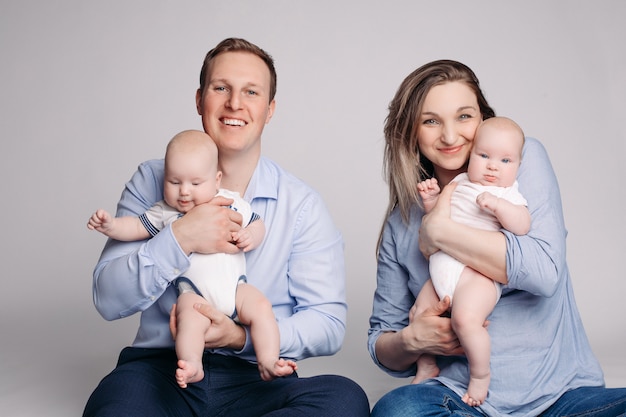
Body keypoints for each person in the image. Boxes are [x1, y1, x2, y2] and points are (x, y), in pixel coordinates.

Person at [83, 37, 369, 417]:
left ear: (269, 110)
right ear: (200, 99)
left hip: (257, 379)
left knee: (344, 399)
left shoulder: (301, 204)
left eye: (251, 92)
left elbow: (327, 323)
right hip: (162, 371)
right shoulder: (152, 179)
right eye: (221, 88)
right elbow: (108, 297)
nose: (235, 104)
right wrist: (181, 237)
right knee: (117, 405)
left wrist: (239, 338)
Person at [368, 59, 626, 416]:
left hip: (563, 396)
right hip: (460, 399)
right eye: (430, 121)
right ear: (410, 132)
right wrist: (412, 340)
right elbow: (383, 343)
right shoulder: (404, 219)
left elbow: (544, 272)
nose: (449, 136)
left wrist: (440, 231)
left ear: (483, 119)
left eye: (464, 116)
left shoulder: (517, 161)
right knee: (397, 411)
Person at [87, 129, 297, 388]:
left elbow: (256, 222)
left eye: (195, 184)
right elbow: (135, 227)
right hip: (193, 293)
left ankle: (267, 361)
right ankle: (192, 365)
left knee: (262, 308)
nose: (184, 192)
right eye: (174, 182)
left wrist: (250, 236)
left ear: (216, 179)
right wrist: (110, 226)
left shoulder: (230, 202)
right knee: (188, 319)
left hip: (235, 289)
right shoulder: (165, 212)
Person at [412, 116, 531, 406]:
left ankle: (480, 375)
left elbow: (522, 225)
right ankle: (426, 364)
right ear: (471, 154)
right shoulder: (461, 181)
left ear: (517, 166)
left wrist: (500, 207)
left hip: (476, 274)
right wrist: (431, 201)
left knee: (466, 320)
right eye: (484, 156)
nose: (493, 166)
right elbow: (438, 218)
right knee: (417, 315)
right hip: (442, 270)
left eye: (505, 161)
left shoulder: (507, 192)